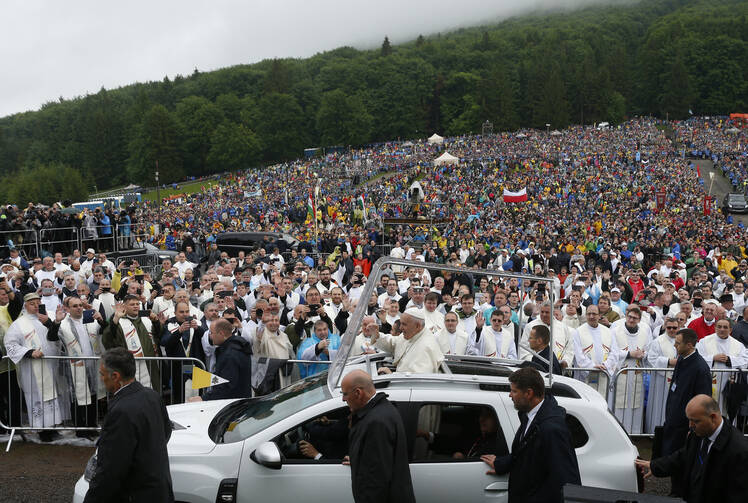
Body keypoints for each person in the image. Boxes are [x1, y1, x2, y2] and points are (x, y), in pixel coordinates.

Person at [84, 348, 173, 503]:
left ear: (115, 376)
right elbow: (166, 432)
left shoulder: (121, 411)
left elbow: (111, 468)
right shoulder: (151, 395)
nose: (101, 378)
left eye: (102, 374)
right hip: (159, 489)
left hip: (136, 494)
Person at [481, 367, 581, 503]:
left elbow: (565, 480)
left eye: (514, 391)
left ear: (528, 393)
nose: (510, 395)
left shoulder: (552, 430)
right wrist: (503, 463)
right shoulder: (530, 416)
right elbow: (528, 452)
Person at [635, 395, 748, 503]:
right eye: (689, 420)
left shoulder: (739, 451)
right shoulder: (699, 432)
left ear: (713, 417)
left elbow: (738, 497)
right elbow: (684, 456)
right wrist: (655, 466)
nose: (690, 425)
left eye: (695, 421)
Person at [342, 369, 415, 503]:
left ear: (358, 393)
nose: (343, 399)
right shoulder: (383, 410)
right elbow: (378, 459)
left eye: (345, 394)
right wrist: (359, 458)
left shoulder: (376, 422)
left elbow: (375, 480)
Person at [3, 293, 66, 439]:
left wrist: (54, 322)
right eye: (32, 303)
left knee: (50, 396)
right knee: (37, 397)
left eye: (38, 302)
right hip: (31, 369)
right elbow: (10, 344)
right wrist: (29, 352)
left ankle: (52, 428)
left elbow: (56, 338)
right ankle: (42, 431)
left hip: (48, 366)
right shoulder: (18, 324)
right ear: (25, 305)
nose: (36, 305)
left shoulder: (44, 319)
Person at [102, 295, 164, 391]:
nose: (136, 306)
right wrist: (115, 319)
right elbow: (107, 340)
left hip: (150, 364)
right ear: (124, 307)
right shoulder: (119, 322)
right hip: (131, 366)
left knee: (153, 392)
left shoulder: (146, 320)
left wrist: (156, 321)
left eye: (137, 304)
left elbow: (160, 336)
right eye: (132, 304)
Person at [190, 319, 252, 401]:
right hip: (239, 400)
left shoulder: (230, 354)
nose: (210, 336)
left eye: (211, 333)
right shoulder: (234, 348)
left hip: (233, 404)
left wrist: (203, 398)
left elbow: (226, 386)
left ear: (221, 333)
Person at [695, 317, 748, 413]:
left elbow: (745, 361)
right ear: (715, 328)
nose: (722, 329)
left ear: (730, 330)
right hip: (709, 382)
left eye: (725, 327)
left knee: (726, 411)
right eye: (719, 327)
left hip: (729, 386)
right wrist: (713, 358)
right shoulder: (704, 341)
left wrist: (729, 360)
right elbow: (697, 358)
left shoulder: (738, 345)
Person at [371, 308, 444, 374]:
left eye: (404, 324)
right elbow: (394, 343)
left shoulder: (426, 347)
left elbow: (417, 381)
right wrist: (377, 335)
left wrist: (390, 375)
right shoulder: (413, 333)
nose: (400, 327)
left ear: (417, 326)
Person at [645, 317, 679, 434]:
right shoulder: (658, 341)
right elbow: (651, 359)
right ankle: (655, 431)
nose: (671, 330)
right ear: (665, 327)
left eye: (674, 328)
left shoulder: (681, 340)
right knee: (659, 404)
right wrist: (669, 361)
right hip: (661, 379)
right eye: (669, 327)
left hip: (678, 379)